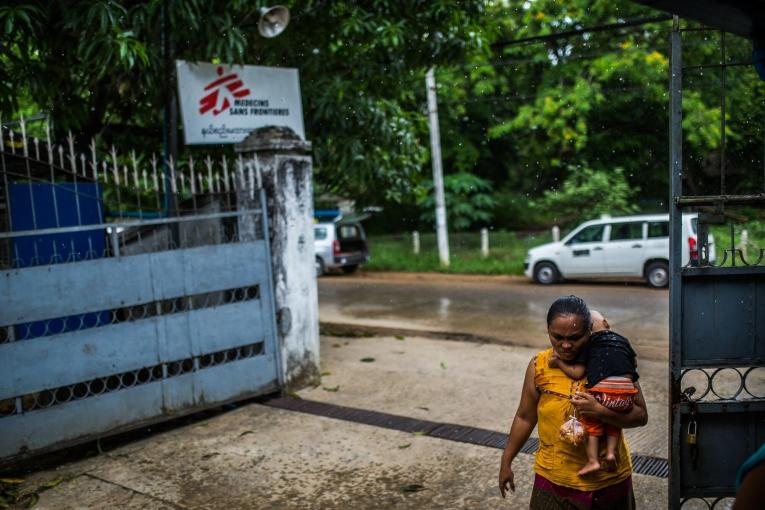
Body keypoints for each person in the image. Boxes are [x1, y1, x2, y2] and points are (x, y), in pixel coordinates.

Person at [498, 295, 648, 509]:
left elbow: (641, 416)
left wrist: (599, 411)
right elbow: (525, 416)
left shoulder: (611, 360)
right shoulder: (540, 365)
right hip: (552, 480)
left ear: (589, 331)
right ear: (548, 330)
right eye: (557, 337)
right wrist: (506, 461)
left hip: (607, 482)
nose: (565, 345)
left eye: (575, 338)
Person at [548, 310, 640, 476]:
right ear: (606, 323)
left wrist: (559, 363)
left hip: (603, 394)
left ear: (586, 333)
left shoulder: (590, 345)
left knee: (593, 425)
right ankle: (611, 453)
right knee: (614, 420)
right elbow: (633, 362)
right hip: (627, 393)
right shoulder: (623, 340)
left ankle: (593, 461)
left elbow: (577, 373)